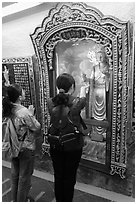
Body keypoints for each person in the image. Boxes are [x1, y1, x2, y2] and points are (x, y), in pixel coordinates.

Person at [47, 73, 87, 202]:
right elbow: (82, 101)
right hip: (73, 145)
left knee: (58, 176)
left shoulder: (50, 102)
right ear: (72, 86)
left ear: (58, 86)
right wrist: (83, 91)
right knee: (70, 177)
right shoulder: (77, 102)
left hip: (55, 144)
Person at [2, 84, 41, 202]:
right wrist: (31, 113)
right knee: (24, 179)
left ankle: (15, 200)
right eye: (23, 91)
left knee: (14, 176)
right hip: (25, 147)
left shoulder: (7, 109)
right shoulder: (23, 111)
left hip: (13, 146)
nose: (24, 93)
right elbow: (36, 127)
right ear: (19, 96)